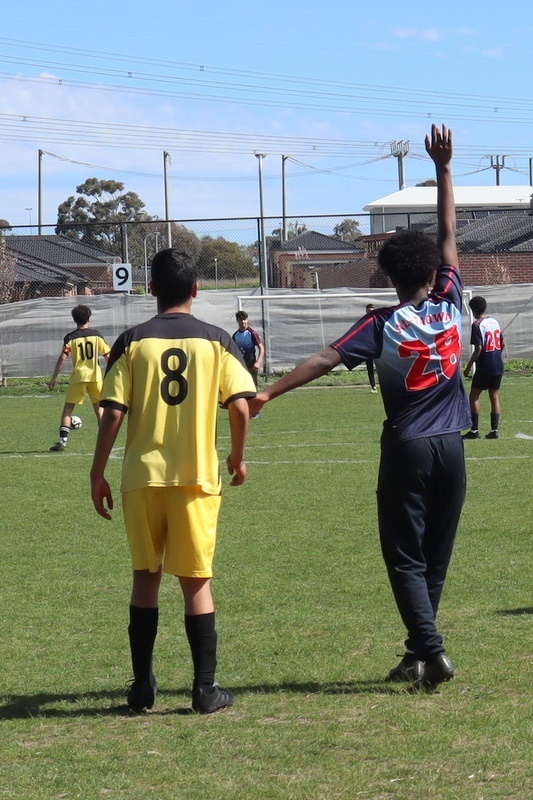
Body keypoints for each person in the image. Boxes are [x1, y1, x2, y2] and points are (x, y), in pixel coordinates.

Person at [248, 124, 470, 690]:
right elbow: (448, 232)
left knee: (403, 557)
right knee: (433, 559)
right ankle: (418, 653)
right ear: (431, 271)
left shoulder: (383, 322)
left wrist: (269, 392)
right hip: (454, 447)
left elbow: (324, 360)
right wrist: (444, 168)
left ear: (390, 275)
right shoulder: (451, 300)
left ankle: (434, 653)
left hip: (408, 448)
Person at [90, 249, 256, 715]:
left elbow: (113, 413)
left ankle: (141, 688)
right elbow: (241, 406)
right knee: (195, 581)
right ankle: (204, 690)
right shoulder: (218, 341)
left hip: (142, 479)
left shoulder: (132, 341)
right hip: (196, 480)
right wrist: (237, 458)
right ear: (197, 289)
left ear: (151, 288)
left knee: (145, 577)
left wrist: (97, 471)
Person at [48, 304, 110, 451]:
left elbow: (63, 357)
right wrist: (113, 374)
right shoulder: (97, 335)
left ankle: (62, 440)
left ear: (74, 319)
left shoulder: (70, 337)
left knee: (68, 409)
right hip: (96, 377)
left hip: (78, 377)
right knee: (99, 410)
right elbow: (108, 356)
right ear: (89, 318)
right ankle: (105, 442)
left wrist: (54, 378)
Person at [462, 296, 504, 440]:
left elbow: (479, 348)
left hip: (485, 365)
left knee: (474, 396)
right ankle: (494, 430)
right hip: (498, 363)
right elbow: (502, 343)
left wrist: (468, 366)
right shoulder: (494, 321)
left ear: (473, 309)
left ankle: (474, 431)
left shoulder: (477, 324)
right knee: (494, 396)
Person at [232, 310, 265, 389]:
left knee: (252, 388)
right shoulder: (235, 335)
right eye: (241, 320)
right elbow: (232, 350)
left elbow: (261, 348)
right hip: (240, 365)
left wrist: (258, 362)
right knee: (240, 387)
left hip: (251, 365)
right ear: (237, 320)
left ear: (247, 320)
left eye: (245, 319)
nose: (243, 322)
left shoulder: (252, 333)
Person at [364, 304, 378, 392]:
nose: (371, 312)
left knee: (382, 368)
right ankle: (373, 386)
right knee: (370, 368)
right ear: (366, 311)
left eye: (373, 311)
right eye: (369, 311)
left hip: (378, 348)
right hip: (368, 348)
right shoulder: (363, 322)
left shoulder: (378, 321)